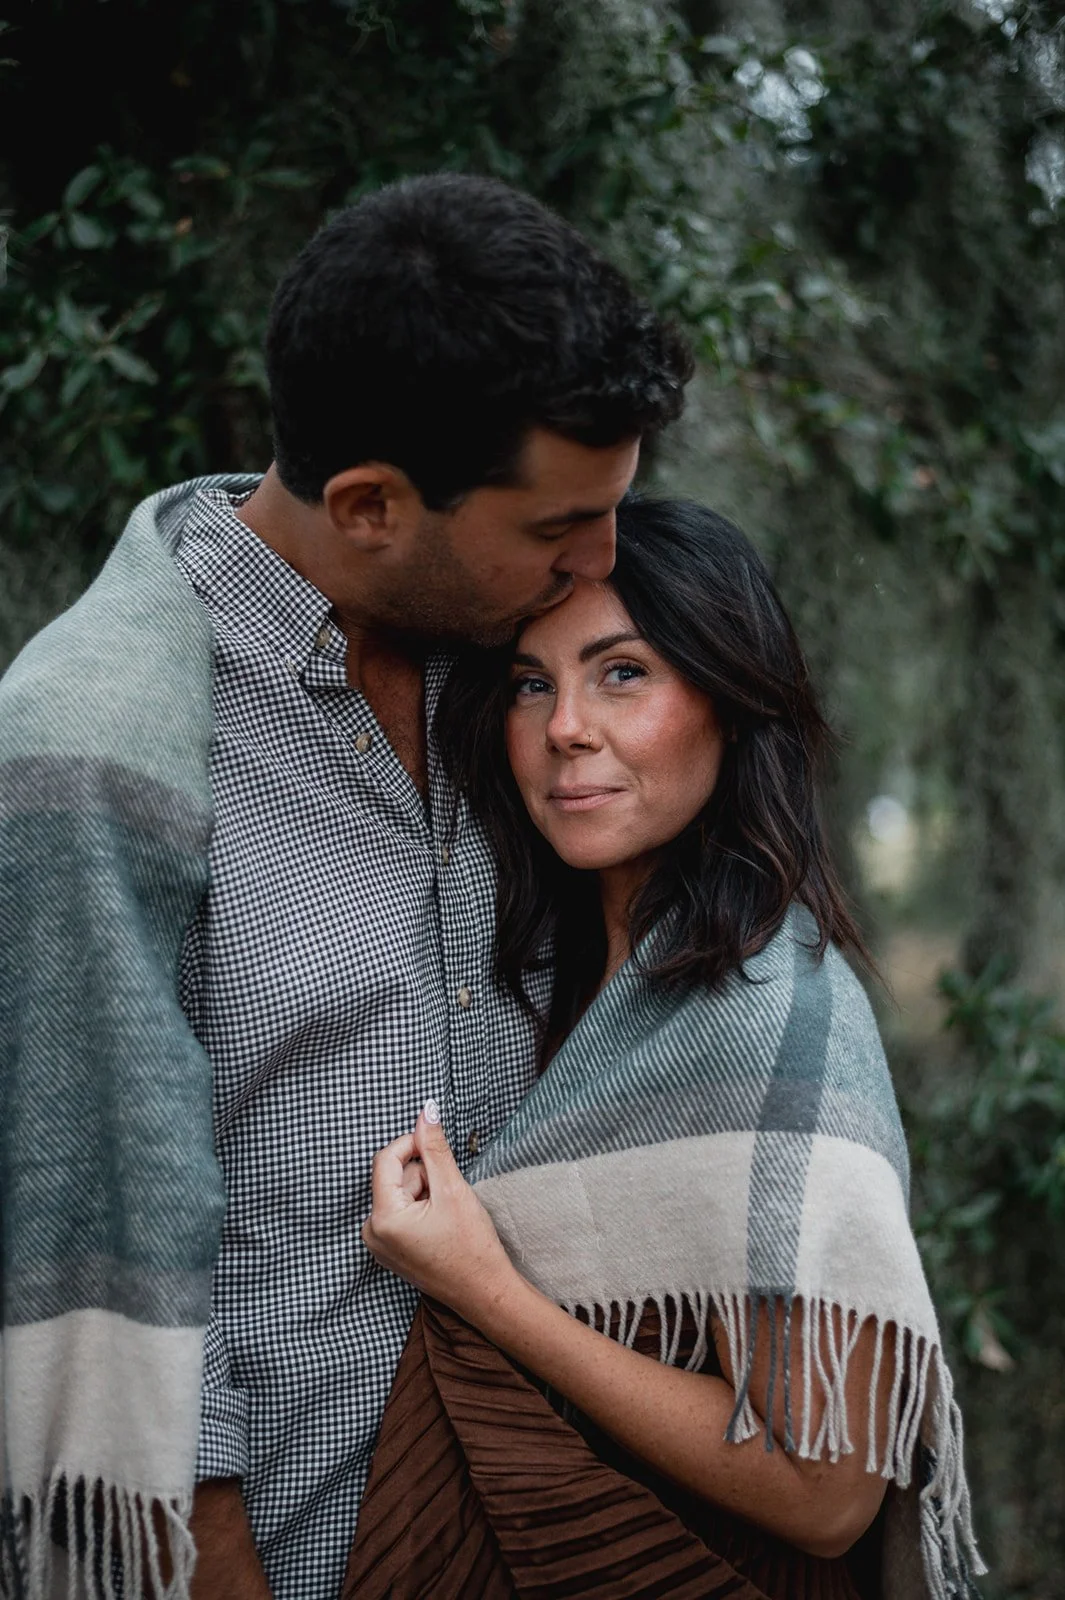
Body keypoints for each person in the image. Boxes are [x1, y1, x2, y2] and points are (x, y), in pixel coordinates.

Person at [0, 177, 693, 1599]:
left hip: (544, 1528)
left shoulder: (518, 673)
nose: (603, 561)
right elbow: (88, 1248)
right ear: (371, 505)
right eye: (560, 522)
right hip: (289, 1554)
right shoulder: (97, 749)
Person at [354, 498, 985, 1599]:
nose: (565, 729)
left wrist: (486, 1289)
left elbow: (826, 1489)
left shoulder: (764, 1013)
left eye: (623, 673)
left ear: (731, 705)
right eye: (531, 682)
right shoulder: (558, 978)